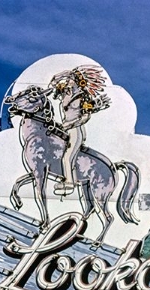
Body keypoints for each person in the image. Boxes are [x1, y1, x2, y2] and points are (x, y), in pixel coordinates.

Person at [49, 65, 110, 196]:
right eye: (69, 78)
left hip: (76, 129)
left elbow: (85, 117)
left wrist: (69, 124)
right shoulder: (66, 92)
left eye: (72, 79)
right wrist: (66, 73)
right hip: (66, 128)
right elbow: (53, 82)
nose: (68, 81)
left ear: (79, 82)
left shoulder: (82, 98)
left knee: (67, 157)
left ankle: (69, 183)